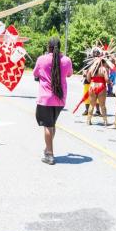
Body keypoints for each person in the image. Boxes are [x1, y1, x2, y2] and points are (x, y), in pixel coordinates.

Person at [33, 37, 73, 165]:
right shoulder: (67, 60)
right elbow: (69, 74)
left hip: (46, 99)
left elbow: (35, 74)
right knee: (52, 124)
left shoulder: (41, 59)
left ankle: (49, 154)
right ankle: (47, 148)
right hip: (60, 99)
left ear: (48, 46)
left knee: (48, 126)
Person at [86, 49, 109, 126]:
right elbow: (107, 80)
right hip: (101, 86)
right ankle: (105, 121)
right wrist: (110, 82)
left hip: (92, 86)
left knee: (92, 105)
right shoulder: (104, 69)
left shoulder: (91, 68)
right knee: (102, 105)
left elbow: (88, 80)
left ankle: (88, 120)